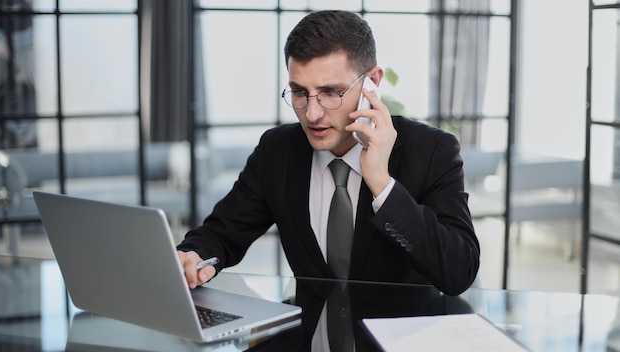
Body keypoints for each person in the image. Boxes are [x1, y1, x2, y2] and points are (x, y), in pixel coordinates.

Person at [177, 10, 480, 297]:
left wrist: (382, 184)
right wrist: (194, 255)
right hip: (308, 335)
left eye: (331, 93)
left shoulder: (430, 150)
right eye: (299, 92)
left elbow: (458, 272)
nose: (312, 113)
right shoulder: (277, 150)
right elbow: (222, 232)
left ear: (372, 82)